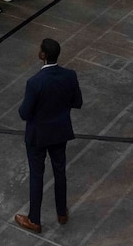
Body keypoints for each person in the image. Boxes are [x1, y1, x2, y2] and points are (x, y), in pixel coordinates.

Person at [14, 37, 83, 234]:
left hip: (38, 136)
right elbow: (77, 102)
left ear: (42, 54)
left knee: (37, 174)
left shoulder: (35, 82)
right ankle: (62, 213)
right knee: (60, 171)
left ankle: (34, 219)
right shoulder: (70, 75)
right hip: (60, 133)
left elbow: (23, 113)